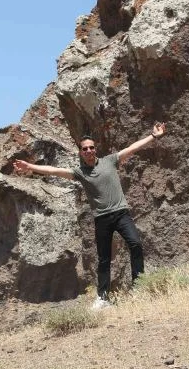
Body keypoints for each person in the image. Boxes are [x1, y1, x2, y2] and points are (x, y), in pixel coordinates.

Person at [13, 123, 166, 309]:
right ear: (80, 152)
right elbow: (55, 171)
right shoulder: (80, 173)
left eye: (91, 147)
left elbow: (132, 148)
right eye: (85, 149)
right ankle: (102, 298)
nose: (89, 150)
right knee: (103, 259)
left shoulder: (110, 161)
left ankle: (139, 287)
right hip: (102, 219)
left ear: (95, 149)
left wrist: (154, 136)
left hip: (121, 213)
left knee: (135, 244)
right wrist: (30, 166)